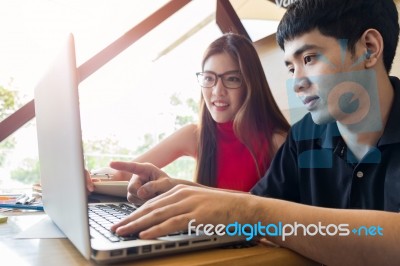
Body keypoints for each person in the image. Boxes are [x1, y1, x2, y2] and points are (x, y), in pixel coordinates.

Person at [110, 0, 400, 265]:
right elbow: (252, 203)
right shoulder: (304, 136)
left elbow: (254, 210)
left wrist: (254, 212)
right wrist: (176, 191)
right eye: (290, 67)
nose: (297, 82)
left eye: (309, 58)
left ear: (369, 48)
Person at [88, 33, 289, 193]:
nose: (217, 91)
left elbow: (277, 213)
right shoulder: (196, 135)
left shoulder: (278, 142)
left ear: (250, 83)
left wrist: (180, 189)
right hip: (205, 240)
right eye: (209, 78)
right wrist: (90, 176)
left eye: (232, 79)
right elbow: (124, 172)